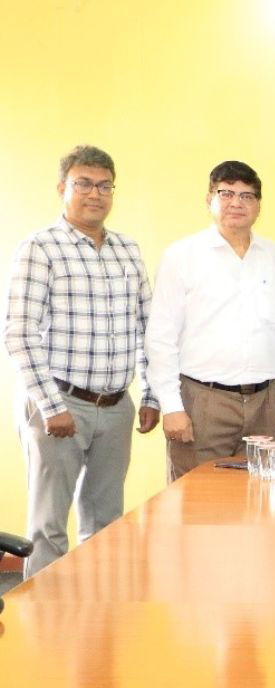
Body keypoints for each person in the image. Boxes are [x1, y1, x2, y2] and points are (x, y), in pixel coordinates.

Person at [4, 145, 160, 578]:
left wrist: (149, 394)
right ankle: (42, 628)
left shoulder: (127, 249)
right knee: (48, 527)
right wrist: (51, 406)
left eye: (104, 185)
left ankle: (94, 617)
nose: (96, 193)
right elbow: (18, 333)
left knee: (106, 520)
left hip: (116, 405)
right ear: (62, 188)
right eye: (84, 183)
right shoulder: (40, 247)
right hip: (59, 404)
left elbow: (147, 329)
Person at [145, 161, 275, 482]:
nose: (237, 203)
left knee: (264, 505)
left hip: (266, 404)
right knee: (197, 508)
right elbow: (161, 338)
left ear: (259, 206)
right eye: (226, 193)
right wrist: (171, 406)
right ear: (209, 199)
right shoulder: (182, 256)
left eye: (247, 196)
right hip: (202, 403)